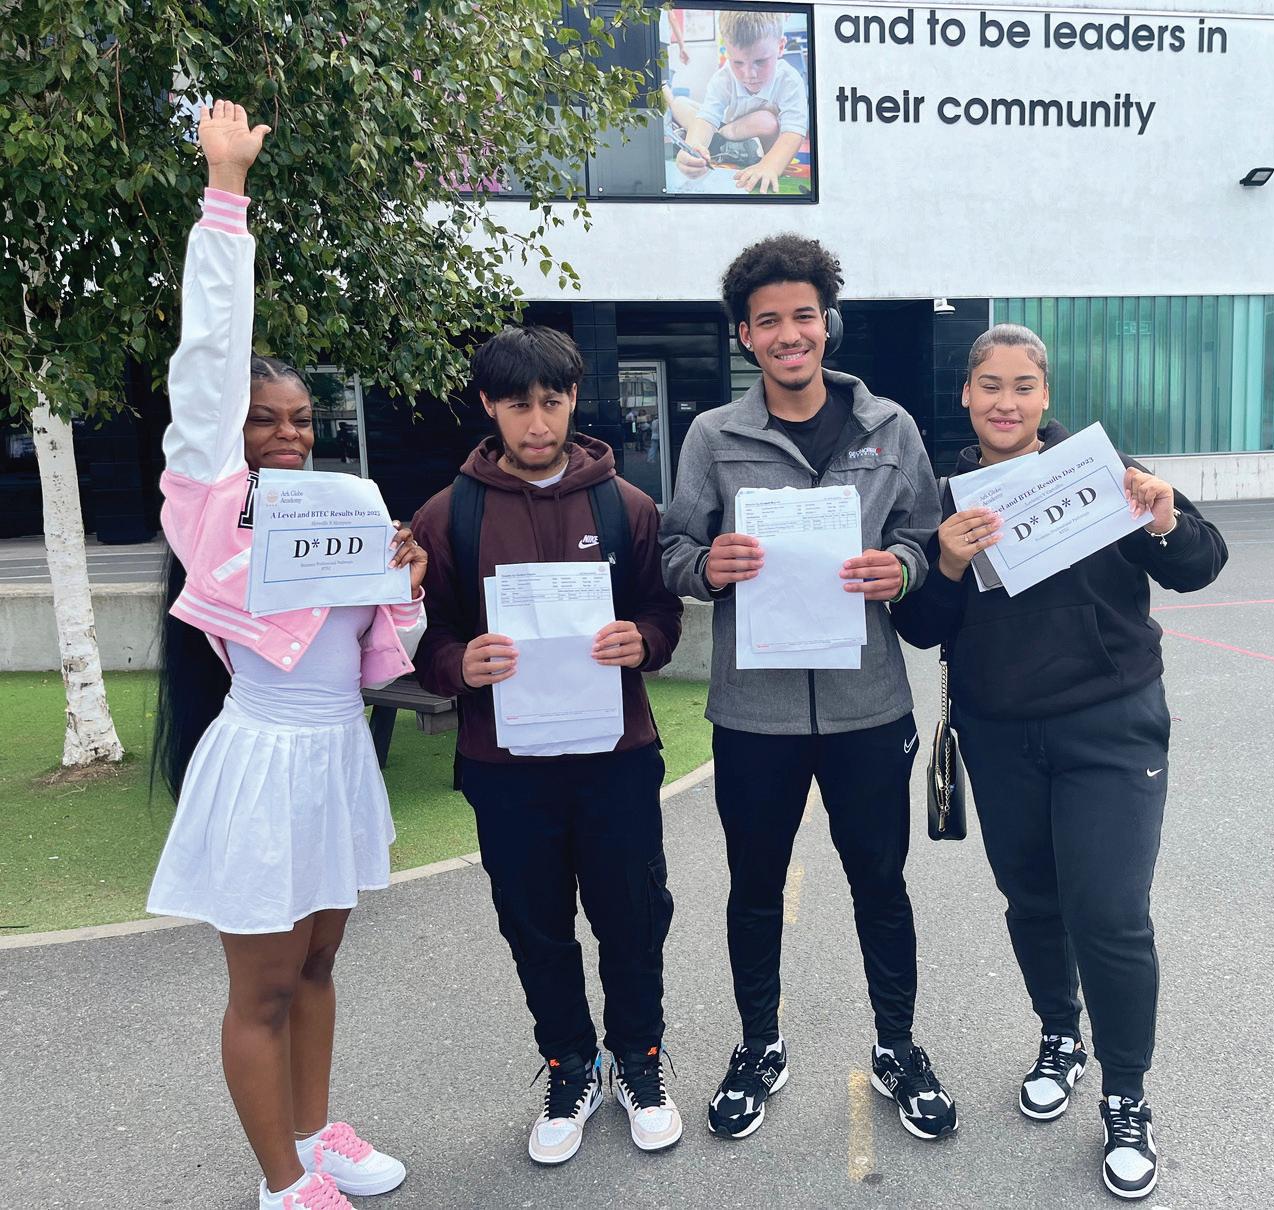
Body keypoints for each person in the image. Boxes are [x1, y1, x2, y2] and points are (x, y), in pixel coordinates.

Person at [147, 101, 428, 1210]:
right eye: (264, 419)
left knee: (317, 965)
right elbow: (209, 359)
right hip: (263, 766)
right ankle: (281, 1184)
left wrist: (401, 580)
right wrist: (227, 194)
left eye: (301, 418)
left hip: (337, 760)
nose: (286, 434)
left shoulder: (341, 511)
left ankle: (314, 1138)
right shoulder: (211, 509)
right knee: (260, 990)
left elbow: (376, 663)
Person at [893, 324, 1229, 1201]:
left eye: (1022, 387)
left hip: (1110, 728)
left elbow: (1199, 565)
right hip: (1001, 736)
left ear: (1045, 397)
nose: (1004, 402)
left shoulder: (1100, 472)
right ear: (965, 395)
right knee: (1034, 903)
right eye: (989, 385)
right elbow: (918, 628)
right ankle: (1058, 1037)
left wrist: (1164, 517)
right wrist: (947, 562)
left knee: (1109, 913)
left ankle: (1126, 1094)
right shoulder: (944, 499)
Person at [660, 234, 957, 1142]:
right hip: (755, 715)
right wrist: (706, 566)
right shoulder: (713, 435)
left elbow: (924, 534)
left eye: (802, 316)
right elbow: (672, 550)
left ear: (827, 323)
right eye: (767, 322)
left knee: (880, 884)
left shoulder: (889, 427)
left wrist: (901, 569)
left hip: (869, 706)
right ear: (744, 336)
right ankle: (759, 1045)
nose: (788, 334)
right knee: (753, 887)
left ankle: (898, 1045)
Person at [409, 326, 684, 1165]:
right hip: (506, 768)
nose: (537, 422)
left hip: (615, 757)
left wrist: (644, 640)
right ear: (488, 406)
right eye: (518, 404)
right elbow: (425, 636)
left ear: (572, 401)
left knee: (632, 917)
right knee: (534, 925)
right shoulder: (447, 515)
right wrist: (459, 662)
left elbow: (661, 612)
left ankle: (637, 1060)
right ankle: (570, 1066)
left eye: (552, 402)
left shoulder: (626, 507)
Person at [667, 9, 809, 194]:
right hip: (725, 127)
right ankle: (716, 142)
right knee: (679, 103)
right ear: (727, 51)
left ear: (780, 47)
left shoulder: (789, 80)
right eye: (738, 63)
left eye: (760, 62)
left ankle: (717, 141)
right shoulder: (723, 78)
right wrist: (693, 149)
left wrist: (770, 166)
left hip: (756, 139)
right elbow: (707, 117)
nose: (749, 74)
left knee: (767, 120)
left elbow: (794, 131)